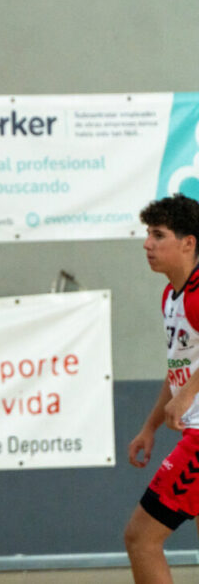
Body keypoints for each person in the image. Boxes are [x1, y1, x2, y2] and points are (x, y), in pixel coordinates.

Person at [125, 193, 199, 584]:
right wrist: (149, 427)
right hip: (192, 431)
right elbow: (177, 370)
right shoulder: (171, 295)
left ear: (188, 243)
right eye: (147, 234)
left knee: (141, 539)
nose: (147, 244)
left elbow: (185, 385)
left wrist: (187, 395)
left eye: (158, 235)